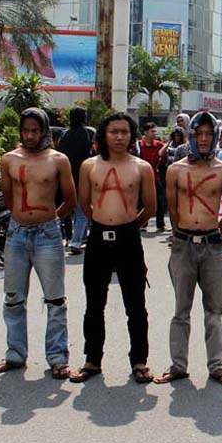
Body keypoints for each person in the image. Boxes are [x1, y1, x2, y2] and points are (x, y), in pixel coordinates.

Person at [0, 108, 77, 379]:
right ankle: (15, 354)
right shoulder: (9, 159)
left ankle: (58, 358)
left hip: (48, 236)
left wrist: (49, 220)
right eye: (25, 130)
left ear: (44, 131)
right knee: (13, 298)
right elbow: (7, 195)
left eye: (35, 130)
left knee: (55, 300)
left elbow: (70, 200)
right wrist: (21, 219)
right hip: (16, 235)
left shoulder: (58, 160)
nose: (29, 135)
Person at [70, 112, 157, 384]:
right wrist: (102, 222)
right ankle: (92, 359)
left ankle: (139, 361)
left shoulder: (141, 167)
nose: (119, 137)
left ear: (131, 135)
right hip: (98, 238)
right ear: (103, 135)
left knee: (136, 304)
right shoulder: (89, 166)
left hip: (129, 238)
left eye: (124, 132)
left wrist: (128, 225)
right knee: (94, 303)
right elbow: (84, 203)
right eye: (113, 132)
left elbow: (150, 207)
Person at [156, 111, 222, 387]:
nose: (203, 139)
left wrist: (214, 232)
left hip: (212, 247)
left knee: (214, 311)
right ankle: (178, 365)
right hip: (183, 247)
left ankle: (216, 366)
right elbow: (172, 207)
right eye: (198, 133)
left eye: (208, 134)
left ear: (215, 136)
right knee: (181, 310)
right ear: (191, 135)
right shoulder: (176, 169)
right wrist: (182, 235)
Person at [57, 107, 94, 254]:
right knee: (82, 208)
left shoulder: (64, 134)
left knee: (66, 207)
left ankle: (72, 237)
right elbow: (94, 153)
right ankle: (77, 241)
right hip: (84, 175)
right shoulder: (89, 133)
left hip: (66, 176)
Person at [137, 122, 167, 231]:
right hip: (141, 177)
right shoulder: (139, 145)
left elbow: (164, 158)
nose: (154, 133)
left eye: (155, 131)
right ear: (145, 132)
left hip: (155, 176)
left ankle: (160, 223)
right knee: (141, 201)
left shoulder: (159, 145)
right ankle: (143, 223)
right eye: (152, 131)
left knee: (160, 200)